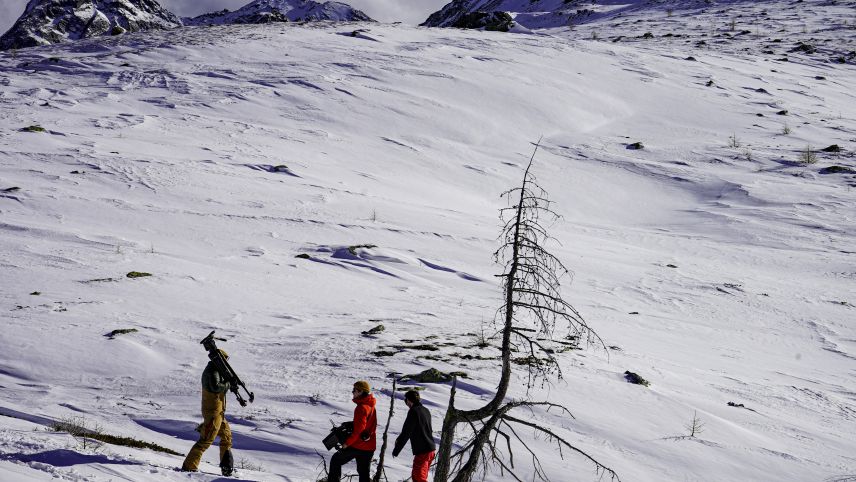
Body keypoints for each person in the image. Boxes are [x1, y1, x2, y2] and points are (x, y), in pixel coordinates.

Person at [181, 349, 234, 476]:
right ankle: (189, 467)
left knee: (226, 437)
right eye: (224, 360)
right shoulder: (211, 371)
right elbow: (215, 387)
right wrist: (228, 384)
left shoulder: (218, 371)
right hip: (213, 413)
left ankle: (226, 467)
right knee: (206, 440)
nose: (226, 363)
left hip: (219, 412)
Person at [328, 380, 377, 482]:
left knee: (335, 460)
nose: (352, 392)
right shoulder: (371, 405)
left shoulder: (361, 408)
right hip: (369, 446)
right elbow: (368, 425)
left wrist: (346, 444)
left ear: (360, 391)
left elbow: (359, 431)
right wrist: (352, 423)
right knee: (364, 473)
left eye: (354, 390)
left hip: (358, 445)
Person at [392, 390, 436, 482]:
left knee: (419, 478)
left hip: (423, 451)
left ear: (409, 400)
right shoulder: (425, 410)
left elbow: (406, 432)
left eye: (406, 400)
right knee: (418, 477)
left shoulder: (413, 411)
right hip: (430, 450)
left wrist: (396, 450)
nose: (406, 402)